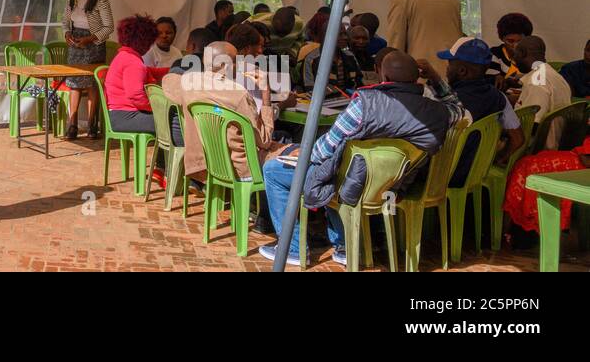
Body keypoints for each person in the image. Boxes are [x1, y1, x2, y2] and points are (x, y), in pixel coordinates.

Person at [259, 50, 465, 267]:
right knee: (337, 168)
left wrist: (301, 152)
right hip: (393, 188)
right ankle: (344, 246)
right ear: (417, 79)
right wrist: (435, 78)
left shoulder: (364, 104)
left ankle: (291, 249)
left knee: (276, 170)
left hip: (351, 186)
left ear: (382, 76)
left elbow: (324, 149)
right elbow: (461, 110)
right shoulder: (438, 112)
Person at [165, 40, 285, 186]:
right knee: (295, 154)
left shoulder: (188, 83)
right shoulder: (239, 95)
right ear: (224, 65)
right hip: (240, 168)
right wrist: (265, 92)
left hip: (206, 163)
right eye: (236, 61)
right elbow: (265, 141)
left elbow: (168, 81)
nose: (240, 65)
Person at [424, 37, 524, 187]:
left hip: (444, 177)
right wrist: (498, 159)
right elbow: (518, 139)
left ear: (462, 71)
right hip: (476, 173)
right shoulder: (499, 97)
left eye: (449, 64)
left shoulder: (447, 103)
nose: (446, 69)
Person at [61, 0, 113, 140]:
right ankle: (72, 125)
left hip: (94, 44)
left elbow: (108, 27)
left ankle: (92, 126)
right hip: (75, 42)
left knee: (92, 84)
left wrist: (90, 39)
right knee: (74, 82)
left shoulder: (101, 0)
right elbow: (65, 21)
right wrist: (67, 33)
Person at [383, 0, 464, 74]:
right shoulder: (452, 0)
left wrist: (393, 71)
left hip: (421, 69)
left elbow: (396, 39)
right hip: (452, 67)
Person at [505, 35, 574, 150]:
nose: (515, 60)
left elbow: (531, 126)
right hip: (557, 143)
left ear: (522, 53)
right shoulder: (554, 75)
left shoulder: (536, 82)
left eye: (515, 56)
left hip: (538, 150)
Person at [104, 15, 163, 136]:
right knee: (174, 122)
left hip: (118, 115)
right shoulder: (133, 62)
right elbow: (136, 96)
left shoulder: (124, 56)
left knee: (168, 119)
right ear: (145, 42)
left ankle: (163, 155)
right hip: (126, 117)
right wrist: (157, 107)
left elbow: (146, 72)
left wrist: (170, 70)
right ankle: (179, 155)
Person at [490, 12, 533, 82]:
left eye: (520, 41)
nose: (515, 46)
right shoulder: (494, 54)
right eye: (510, 41)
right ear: (501, 38)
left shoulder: (532, 55)